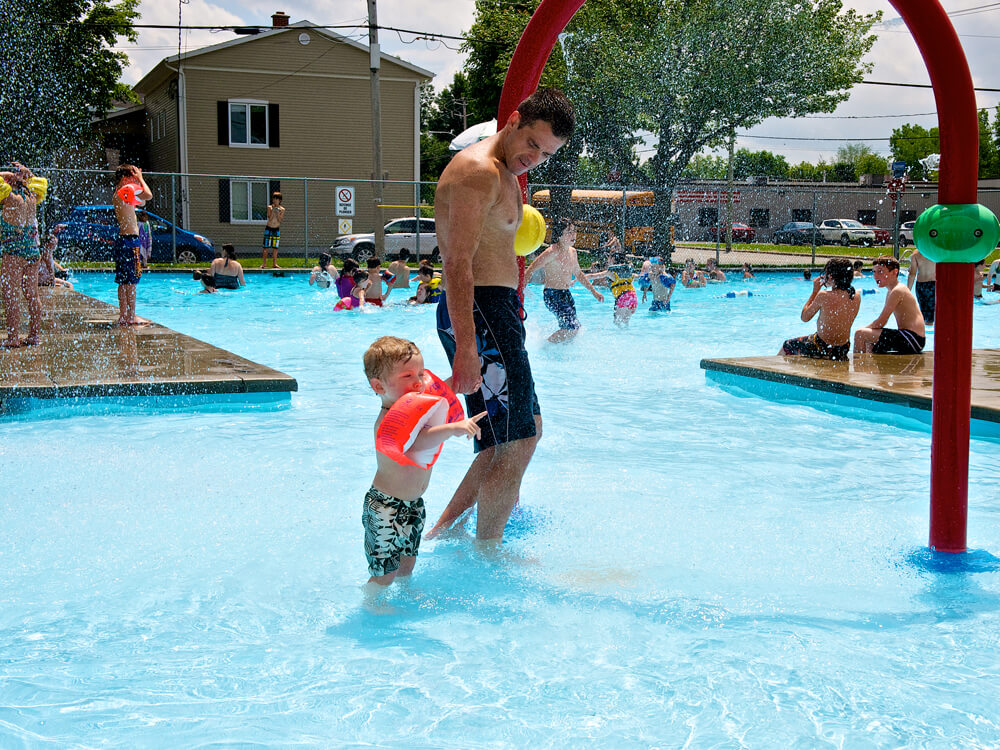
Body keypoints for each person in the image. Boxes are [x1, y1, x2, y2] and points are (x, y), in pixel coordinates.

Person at [429, 87, 574, 542]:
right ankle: (488, 549)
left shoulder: (505, 174)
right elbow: (456, 262)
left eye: (546, 154)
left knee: (510, 434)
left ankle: (444, 532)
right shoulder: (478, 172)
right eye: (532, 143)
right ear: (513, 120)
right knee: (519, 437)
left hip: (495, 311)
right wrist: (467, 349)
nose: (535, 157)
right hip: (481, 311)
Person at [362, 336, 485, 589]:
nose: (418, 382)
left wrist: (461, 386)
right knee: (385, 572)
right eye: (407, 377)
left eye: (420, 373)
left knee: (406, 566)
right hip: (386, 507)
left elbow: (440, 393)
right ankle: (372, 603)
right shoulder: (386, 423)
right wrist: (453, 428)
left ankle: (404, 596)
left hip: (413, 505)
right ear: (379, 386)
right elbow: (415, 443)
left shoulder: (414, 408)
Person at [524, 218, 604, 342]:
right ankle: (545, 347)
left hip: (566, 294)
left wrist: (593, 292)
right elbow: (531, 268)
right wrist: (520, 288)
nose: (573, 235)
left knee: (574, 328)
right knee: (571, 328)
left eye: (574, 231)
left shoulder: (573, 252)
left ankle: (558, 352)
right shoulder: (552, 252)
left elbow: (578, 273)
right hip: (552, 294)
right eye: (569, 232)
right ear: (559, 235)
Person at [779, 257, 861, 361]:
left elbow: (804, 317)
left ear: (830, 277)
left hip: (821, 346)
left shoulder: (823, 295)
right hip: (842, 348)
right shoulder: (856, 296)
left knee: (787, 345)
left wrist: (814, 292)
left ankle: (772, 374)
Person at [1, 163, 43, 347]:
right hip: (33, 250)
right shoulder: (32, 196)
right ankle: (34, 336)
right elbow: (37, 183)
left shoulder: (9, 199)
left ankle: (12, 338)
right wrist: (27, 173)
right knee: (32, 294)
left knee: (11, 295)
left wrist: (6, 173)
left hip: (14, 251)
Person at [854, 256, 926, 354]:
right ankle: (866, 367)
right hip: (912, 338)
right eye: (874, 272)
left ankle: (857, 366)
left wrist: (862, 330)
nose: (876, 276)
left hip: (912, 339)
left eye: (880, 271)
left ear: (894, 272)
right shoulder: (892, 290)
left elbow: (881, 322)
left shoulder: (897, 291)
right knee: (869, 339)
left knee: (860, 334)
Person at [112, 164, 152, 326]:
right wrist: (141, 179)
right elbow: (148, 195)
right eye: (132, 176)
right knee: (131, 280)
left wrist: (137, 179)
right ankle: (131, 316)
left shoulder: (119, 193)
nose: (135, 180)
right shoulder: (125, 189)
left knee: (123, 280)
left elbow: (141, 202)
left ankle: (124, 315)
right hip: (130, 241)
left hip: (123, 240)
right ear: (125, 178)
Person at [587, 252, 638, 326]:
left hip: (622, 297)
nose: (608, 260)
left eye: (609, 258)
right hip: (633, 298)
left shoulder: (611, 272)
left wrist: (576, 279)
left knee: (617, 323)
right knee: (626, 323)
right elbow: (636, 278)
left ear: (613, 259)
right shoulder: (628, 272)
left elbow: (592, 276)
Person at [906, 246, 936, 325]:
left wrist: (907, 290)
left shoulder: (916, 254)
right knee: (932, 315)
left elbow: (912, 274)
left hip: (921, 286)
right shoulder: (936, 252)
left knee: (923, 313)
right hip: (934, 285)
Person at [260, 191, 285, 269]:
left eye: (276, 199)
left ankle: (274, 264)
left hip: (276, 229)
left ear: (279, 200)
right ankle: (264, 264)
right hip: (269, 228)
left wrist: (277, 213)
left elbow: (280, 220)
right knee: (266, 247)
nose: (274, 201)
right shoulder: (269, 207)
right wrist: (273, 211)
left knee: (275, 247)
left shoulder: (282, 209)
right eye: (274, 199)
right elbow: (269, 218)